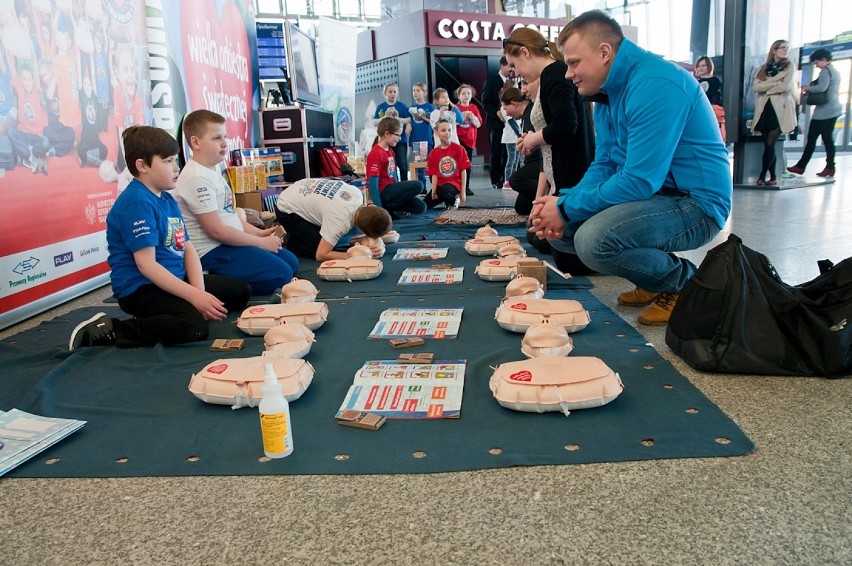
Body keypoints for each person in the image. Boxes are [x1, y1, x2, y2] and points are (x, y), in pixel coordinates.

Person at [529, 10, 732, 326]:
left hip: (699, 205)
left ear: (605, 52)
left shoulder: (656, 84)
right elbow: (605, 163)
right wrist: (561, 203)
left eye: (573, 62)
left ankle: (685, 284)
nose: (568, 73)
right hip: (661, 196)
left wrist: (566, 206)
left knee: (592, 241)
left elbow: (638, 181)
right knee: (561, 234)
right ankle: (653, 280)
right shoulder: (608, 92)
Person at [69, 125, 251, 350]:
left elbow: (188, 249)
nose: (176, 168)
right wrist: (194, 298)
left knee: (240, 291)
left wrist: (199, 294)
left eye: (175, 160)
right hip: (140, 289)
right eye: (167, 161)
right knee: (194, 328)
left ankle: (172, 313)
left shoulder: (166, 198)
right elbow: (146, 266)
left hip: (172, 280)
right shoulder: (137, 202)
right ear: (142, 166)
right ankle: (112, 330)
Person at [173, 110, 299, 296]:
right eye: (216, 138)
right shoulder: (196, 178)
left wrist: (261, 234)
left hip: (226, 244)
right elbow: (216, 230)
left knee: (291, 263)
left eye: (225, 136)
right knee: (282, 274)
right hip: (211, 253)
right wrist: (260, 243)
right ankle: (211, 279)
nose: (224, 143)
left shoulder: (211, 170)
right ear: (195, 142)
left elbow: (228, 216)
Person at [504, 26, 595, 264]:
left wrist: (535, 138)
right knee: (540, 234)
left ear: (525, 52)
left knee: (559, 249)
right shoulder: (550, 76)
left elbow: (566, 124)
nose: (516, 74)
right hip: (562, 176)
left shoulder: (554, 73)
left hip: (571, 177)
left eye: (514, 66)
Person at [275, 178, 393, 261]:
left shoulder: (357, 194)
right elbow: (321, 255)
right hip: (286, 209)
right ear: (363, 231)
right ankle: (293, 242)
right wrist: (355, 256)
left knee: (333, 239)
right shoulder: (339, 222)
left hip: (299, 188)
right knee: (327, 249)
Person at [787, 48, 841, 178]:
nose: (816, 65)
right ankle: (830, 167)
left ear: (823, 60)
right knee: (828, 139)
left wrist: (808, 88)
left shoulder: (825, 71)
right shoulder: (835, 71)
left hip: (823, 111)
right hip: (834, 109)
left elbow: (822, 87)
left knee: (811, 139)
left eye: (817, 62)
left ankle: (801, 166)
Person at [750, 39, 798, 186]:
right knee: (768, 143)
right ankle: (773, 177)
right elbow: (755, 87)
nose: (785, 50)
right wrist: (774, 84)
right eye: (782, 48)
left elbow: (786, 86)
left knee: (770, 143)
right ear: (774, 50)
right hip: (765, 108)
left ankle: (762, 175)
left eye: (787, 48)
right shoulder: (763, 68)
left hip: (780, 108)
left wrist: (767, 88)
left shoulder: (789, 66)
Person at [366, 116, 427, 219]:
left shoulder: (390, 151)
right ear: (387, 134)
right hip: (384, 191)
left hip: (392, 191)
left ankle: (392, 208)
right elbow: (372, 184)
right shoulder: (376, 153)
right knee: (419, 185)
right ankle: (386, 209)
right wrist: (380, 210)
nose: (399, 138)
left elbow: (394, 175)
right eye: (398, 135)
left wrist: (403, 197)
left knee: (421, 207)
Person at [501, 82, 539, 215]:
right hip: (532, 161)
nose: (507, 113)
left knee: (515, 180)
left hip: (539, 161)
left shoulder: (531, 114)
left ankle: (549, 193)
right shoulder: (525, 116)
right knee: (521, 208)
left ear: (514, 104)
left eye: (506, 109)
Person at [425, 118, 470, 209]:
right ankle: (448, 200)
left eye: (449, 130)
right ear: (437, 133)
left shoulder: (459, 149)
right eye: (443, 130)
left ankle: (453, 200)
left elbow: (463, 171)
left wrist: (463, 191)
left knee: (444, 191)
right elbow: (434, 174)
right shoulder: (434, 153)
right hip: (440, 186)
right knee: (424, 206)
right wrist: (433, 191)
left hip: (454, 185)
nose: (447, 133)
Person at [482, 56, 512, 189]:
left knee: (509, 153)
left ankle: (506, 178)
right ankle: (495, 179)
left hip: (510, 124)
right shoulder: (492, 81)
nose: (512, 69)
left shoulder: (512, 82)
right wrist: (496, 112)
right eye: (510, 66)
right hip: (496, 124)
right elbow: (485, 103)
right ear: (502, 66)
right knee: (497, 152)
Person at [372, 82, 412, 180]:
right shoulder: (381, 107)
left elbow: (408, 119)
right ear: (385, 93)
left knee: (402, 164)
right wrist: (386, 117)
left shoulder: (402, 106)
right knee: (390, 165)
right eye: (390, 92)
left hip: (400, 140)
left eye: (394, 92)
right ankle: (393, 183)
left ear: (397, 93)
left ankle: (404, 184)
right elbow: (375, 122)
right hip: (386, 141)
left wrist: (397, 119)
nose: (392, 94)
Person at [454, 83, 482, 196]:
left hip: (469, 140)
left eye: (468, 93)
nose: (466, 96)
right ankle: (456, 186)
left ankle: (466, 187)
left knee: (467, 165)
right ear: (459, 96)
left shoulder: (474, 108)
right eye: (464, 93)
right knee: (457, 164)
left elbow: (478, 124)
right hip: (457, 140)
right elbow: (452, 123)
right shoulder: (456, 108)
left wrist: (472, 117)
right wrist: (461, 117)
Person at [408, 82, 435, 186]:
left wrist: (423, 117)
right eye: (414, 90)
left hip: (427, 139)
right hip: (416, 139)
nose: (415, 93)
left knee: (430, 163)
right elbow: (408, 120)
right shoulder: (411, 108)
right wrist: (409, 124)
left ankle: (434, 185)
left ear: (424, 93)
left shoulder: (429, 107)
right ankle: (421, 186)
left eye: (418, 90)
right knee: (419, 165)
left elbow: (433, 121)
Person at [694, 56, 725, 142]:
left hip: (711, 114)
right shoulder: (696, 82)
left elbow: (717, 98)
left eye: (703, 65)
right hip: (699, 114)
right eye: (699, 66)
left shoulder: (715, 81)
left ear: (709, 66)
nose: (700, 68)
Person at [499, 80, 521, 190]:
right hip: (510, 137)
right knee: (511, 159)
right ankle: (507, 181)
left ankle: (514, 180)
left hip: (516, 137)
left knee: (517, 159)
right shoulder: (504, 107)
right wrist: (519, 133)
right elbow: (511, 121)